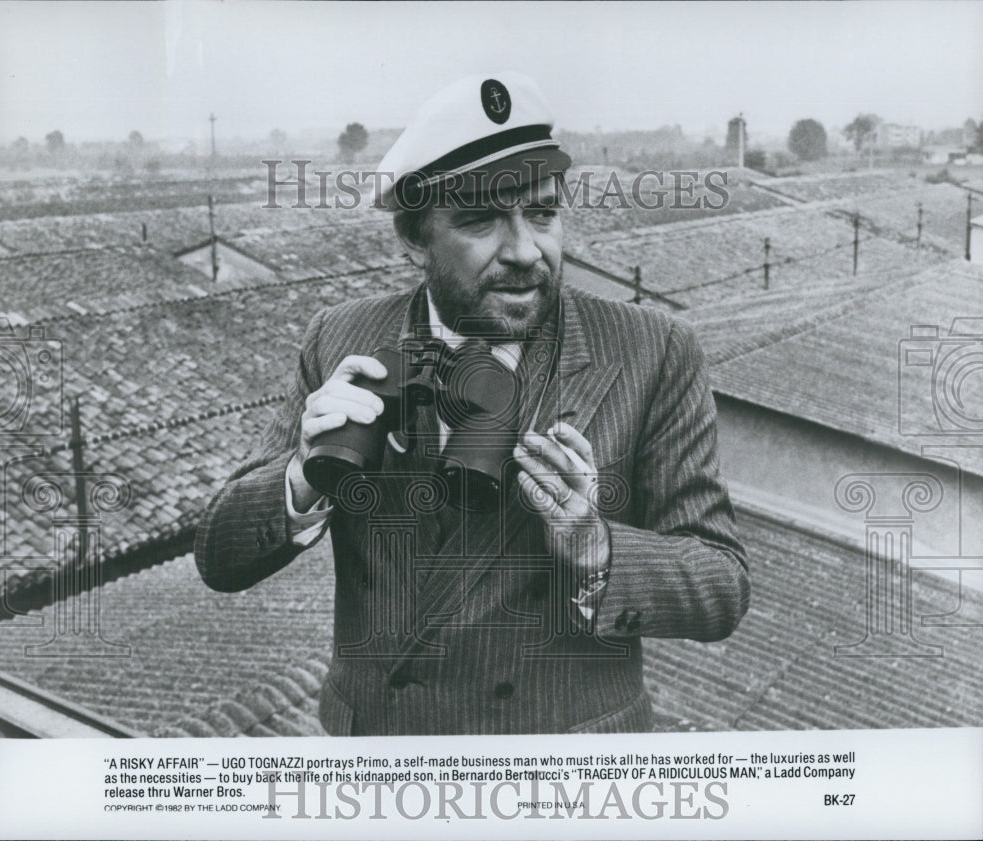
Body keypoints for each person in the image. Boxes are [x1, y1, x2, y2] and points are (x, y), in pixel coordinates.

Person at [195, 72, 749, 735]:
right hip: (383, 759)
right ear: (414, 238)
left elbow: (721, 581)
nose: (524, 251)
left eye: (542, 213)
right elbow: (219, 558)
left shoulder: (652, 351)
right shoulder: (342, 339)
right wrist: (302, 475)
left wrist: (592, 544)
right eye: (482, 218)